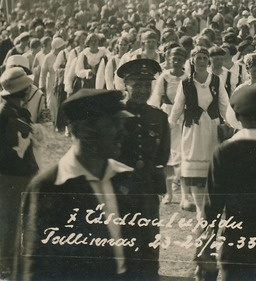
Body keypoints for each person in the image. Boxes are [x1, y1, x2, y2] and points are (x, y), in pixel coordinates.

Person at [19, 90, 151, 281]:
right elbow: (35, 268)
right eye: (113, 124)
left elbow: (147, 255)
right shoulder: (49, 188)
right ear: (84, 130)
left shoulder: (128, 179)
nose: (122, 131)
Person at [115, 58, 170, 280]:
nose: (142, 90)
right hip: (119, 187)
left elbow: (162, 156)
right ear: (125, 86)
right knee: (121, 238)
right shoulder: (115, 116)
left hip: (147, 187)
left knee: (148, 238)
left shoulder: (158, 117)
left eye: (147, 85)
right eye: (137, 84)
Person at [168, 46, 230, 218]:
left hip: (211, 129)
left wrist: (233, 124)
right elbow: (178, 108)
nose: (201, 61)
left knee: (211, 170)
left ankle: (210, 206)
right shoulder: (185, 83)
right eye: (198, 58)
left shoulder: (216, 81)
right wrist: (170, 124)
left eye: (204, 58)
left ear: (208, 61)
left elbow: (224, 106)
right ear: (193, 61)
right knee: (195, 173)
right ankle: (200, 210)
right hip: (193, 130)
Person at [0, 67, 41, 278]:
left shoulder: (20, 112)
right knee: (9, 220)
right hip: (9, 177)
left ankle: (14, 259)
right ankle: (5, 265)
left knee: (21, 219)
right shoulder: (5, 113)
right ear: (24, 91)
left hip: (23, 175)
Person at [147, 46, 189, 205]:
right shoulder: (163, 77)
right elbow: (156, 98)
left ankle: (185, 195)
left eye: (180, 59)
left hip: (183, 118)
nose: (177, 61)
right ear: (169, 60)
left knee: (183, 155)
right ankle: (168, 193)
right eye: (174, 59)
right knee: (167, 154)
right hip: (166, 116)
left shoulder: (187, 78)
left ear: (184, 61)